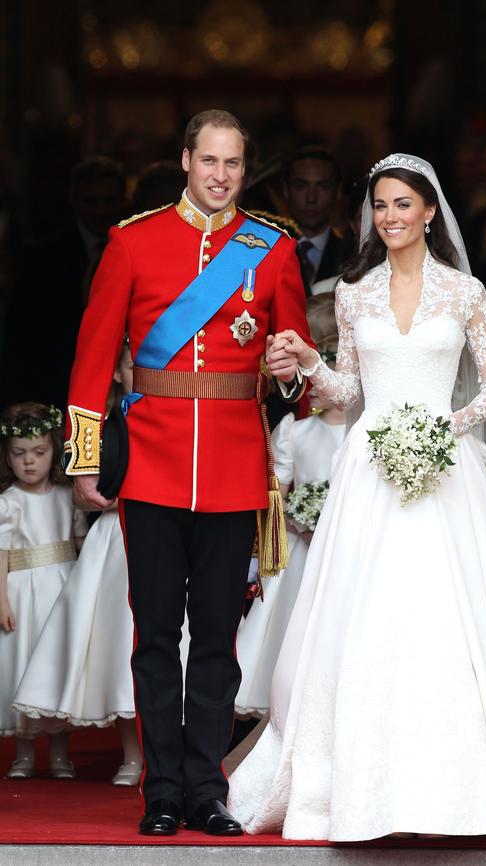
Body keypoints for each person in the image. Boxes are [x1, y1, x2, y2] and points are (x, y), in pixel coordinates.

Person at [227, 153, 486, 841]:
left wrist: (440, 429)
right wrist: (309, 364)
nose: (390, 217)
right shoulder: (354, 292)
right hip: (368, 470)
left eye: (403, 204)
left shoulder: (465, 292)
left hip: (442, 466)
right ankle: (359, 787)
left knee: (450, 615)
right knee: (363, 618)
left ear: (429, 211)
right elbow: (348, 390)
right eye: (381, 206)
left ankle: (466, 788)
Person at [64, 109, 311, 836]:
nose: (220, 175)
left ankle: (208, 787)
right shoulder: (133, 242)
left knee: (215, 639)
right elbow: (92, 357)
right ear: (185, 160)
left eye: (233, 164)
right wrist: (85, 460)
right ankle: (161, 790)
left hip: (234, 466)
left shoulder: (273, 248)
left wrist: (290, 371)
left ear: (245, 169)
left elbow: (294, 375)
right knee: (153, 637)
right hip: (151, 466)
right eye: (209, 161)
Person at [12, 343, 142, 785]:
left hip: (166, 534)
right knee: (116, 643)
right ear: (118, 374)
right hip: (115, 539)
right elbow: (86, 485)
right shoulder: (101, 427)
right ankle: (130, 756)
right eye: (133, 365)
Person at [235, 293, 346, 719]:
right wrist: (298, 516)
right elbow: (277, 486)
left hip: (344, 542)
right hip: (302, 544)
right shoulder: (295, 431)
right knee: (291, 621)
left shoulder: (361, 432)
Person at [0, 402, 87, 779]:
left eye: (38, 452)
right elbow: (2, 556)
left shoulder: (68, 495)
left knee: (57, 665)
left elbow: (84, 546)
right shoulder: (7, 503)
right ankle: (23, 753)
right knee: (23, 664)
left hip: (62, 589)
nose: (29, 462)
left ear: (54, 449)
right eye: (19, 454)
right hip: (21, 592)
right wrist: (2, 599)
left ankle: (60, 752)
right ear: (7, 456)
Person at [1, 157, 128, 411]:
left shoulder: (141, 250)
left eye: (109, 201)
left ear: (124, 201)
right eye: (92, 201)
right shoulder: (42, 258)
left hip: (125, 396)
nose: (101, 210)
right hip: (57, 393)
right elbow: (23, 337)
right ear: (75, 201)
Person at [284, 148, 353, 294]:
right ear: (286, 191)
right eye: (301, 186)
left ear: (338, 192)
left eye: (323, 187)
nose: (311, 198)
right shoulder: (266, 248)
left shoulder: (352, 253)